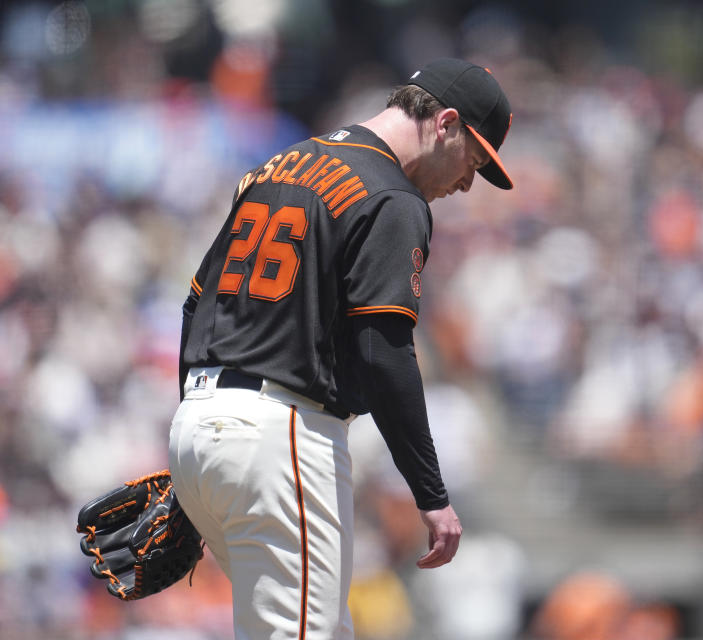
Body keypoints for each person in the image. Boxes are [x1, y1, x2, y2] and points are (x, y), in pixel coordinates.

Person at [168, 58, 514, 639]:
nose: (465, 184)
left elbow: (195, 305)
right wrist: (431, 495)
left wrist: (198, 447)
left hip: (200, 424)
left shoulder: (279, 163)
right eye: (472, 161)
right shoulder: (394, 197)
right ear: (446, 123)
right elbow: (384, 351)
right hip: (280, 435)